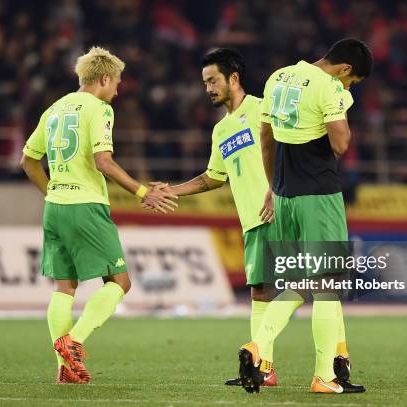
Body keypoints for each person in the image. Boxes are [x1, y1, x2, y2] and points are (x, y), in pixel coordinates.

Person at [20, 46, 177, 384]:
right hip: (87, 206)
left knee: (64, 287)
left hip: (55, 208)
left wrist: (52, 192)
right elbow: (103, 161)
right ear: (104, 78)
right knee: (120, 282)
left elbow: (28, 161)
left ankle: (64, 370)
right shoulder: (99, 108)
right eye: (117, 83)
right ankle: (74, 343)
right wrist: (141, 191)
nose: (118, 90)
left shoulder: (55, 108)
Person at [237, 38, 373, 394]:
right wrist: (342, 101)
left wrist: (273, 185)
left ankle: (258, 347)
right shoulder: (329, 86)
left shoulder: (278, 77)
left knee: (300, 283)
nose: (348, 87)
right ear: (344, 70)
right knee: (327, 285)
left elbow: (265, 138)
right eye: (351, 81)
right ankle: (323, 376)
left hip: (284, 195)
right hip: (319, 195)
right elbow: (341, 144)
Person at [147, 48, 279, 386]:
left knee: (290, 291)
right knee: (261, 292)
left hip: (277, 211)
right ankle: (265, 367)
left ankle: (271, 361)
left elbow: (292, 151)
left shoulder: (263, 108)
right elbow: (213, 177)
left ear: (233, 78)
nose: (208, 88)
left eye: (213, 81)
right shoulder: (221, 130)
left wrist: (278, 190)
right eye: (205, 83)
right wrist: (171, 190)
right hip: (252, 220)